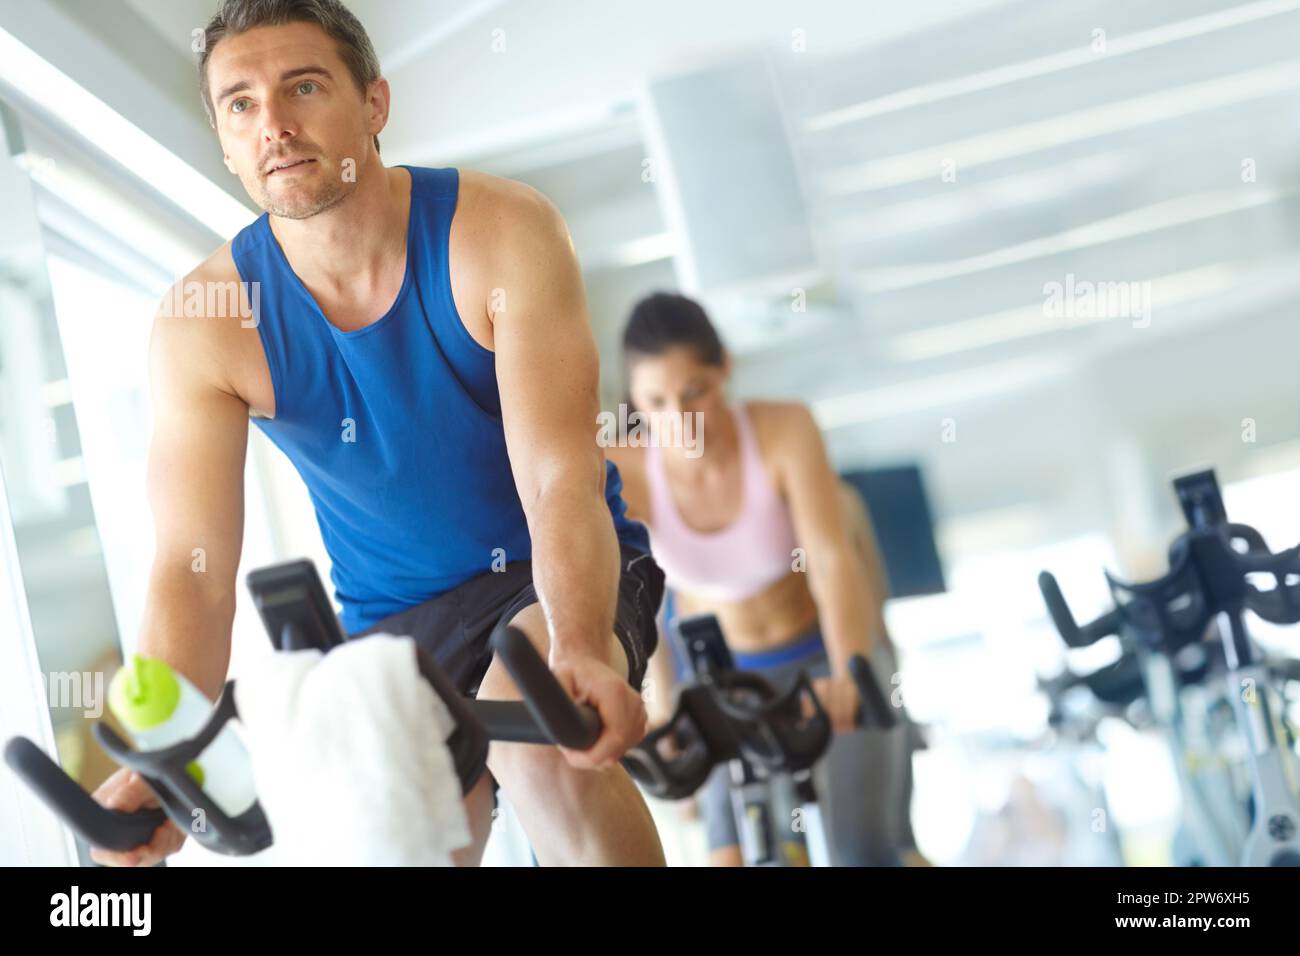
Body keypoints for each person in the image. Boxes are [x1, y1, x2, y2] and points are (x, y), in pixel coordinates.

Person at [90, 0, 665, 867]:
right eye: (240, 104)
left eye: (304, 86)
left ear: (375, 105)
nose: (274, 124)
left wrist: (584, 644)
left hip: (555, 574)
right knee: (393, 841)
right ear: (223, 139)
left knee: (541, 748)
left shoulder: (501, 231)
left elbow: (560, 482)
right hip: (392, 623)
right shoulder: (206, 323)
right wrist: (163, 757)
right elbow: (192, 573)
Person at [607, 291, 920, 866]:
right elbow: (645, 610)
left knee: (867, 855)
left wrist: (851, 667)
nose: (679, 421)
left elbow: (830, 559)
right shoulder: (627, 469)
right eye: (656, 401)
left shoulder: (783, 429)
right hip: (728, 684)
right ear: (635, 400)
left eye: (694, 392)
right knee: (730, 857)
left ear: (723, 368)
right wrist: (661, 711)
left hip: (824, 659)